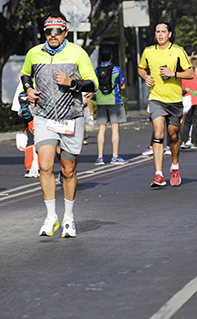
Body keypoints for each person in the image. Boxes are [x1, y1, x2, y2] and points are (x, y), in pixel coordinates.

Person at [21, 13, 98, 237]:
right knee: (45, 165)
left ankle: (68, 218)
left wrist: (72, 82)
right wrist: (28, 89)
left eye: (57, 31)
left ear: (65, 32)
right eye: (48, 31)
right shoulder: (34, 53)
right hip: (44, 116)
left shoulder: (77, 52)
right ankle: (51, 216)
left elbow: (93, 82)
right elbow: (26, 74)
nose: (52, 35)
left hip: (71, 118)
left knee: (68, 169)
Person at [137, 21, 194, 188]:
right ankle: (158, 174)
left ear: (169, 34)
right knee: (158, 133)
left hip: (175, 100)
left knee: (174, 135)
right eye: (157, 32)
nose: (160, 34)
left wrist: (173, 73)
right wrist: (145, 77)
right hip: (156, 99)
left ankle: (175, 166)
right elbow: (141, 68)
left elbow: (190, 73)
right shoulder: (148, 51)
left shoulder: (177, 51)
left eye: (163, 31)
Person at [94, 46, 128, 166]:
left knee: (101, 129)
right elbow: (122, 85)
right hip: (114, 101)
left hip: (100, 102)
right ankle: (115, 156)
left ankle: (100, 157)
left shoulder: (96, 70)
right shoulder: (117, 69)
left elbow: (94, 85)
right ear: (111, 57)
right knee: (115, 129)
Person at [181, 55, 197, 149]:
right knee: (196, 122)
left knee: (187, 122)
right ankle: (194, 142)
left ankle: (183, 141)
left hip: (187, 100)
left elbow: (182, 87)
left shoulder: (185, 74)